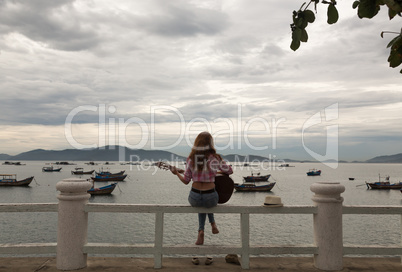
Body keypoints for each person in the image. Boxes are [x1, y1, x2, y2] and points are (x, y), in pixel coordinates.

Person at [170, 131, 233, 246]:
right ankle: (212, 223)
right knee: (207, 202)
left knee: (201, 203)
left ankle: (201, 230)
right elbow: (229, 171)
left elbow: (186, 181)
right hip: (211, 197)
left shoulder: (191, 158)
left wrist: (176, 173)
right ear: (210, 143)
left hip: (194, 197)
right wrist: (216, 171)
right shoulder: (216, 158)